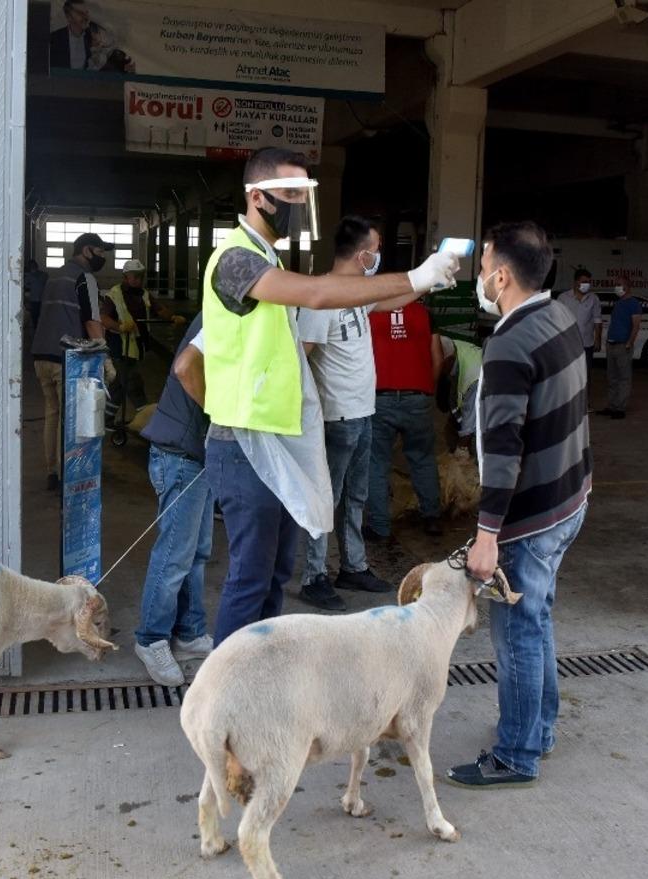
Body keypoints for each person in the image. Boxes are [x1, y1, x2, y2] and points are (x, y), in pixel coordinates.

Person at [196, 146, 459, 647]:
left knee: (273, 576)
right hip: (244, 442)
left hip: (280, 439)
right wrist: (415, 275)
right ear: (257, 197)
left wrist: (427, 283)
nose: (299, 203)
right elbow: (319, 294)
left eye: (303, 194)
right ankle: (224, 692)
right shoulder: (234, 258)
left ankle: (264, 672)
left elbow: (364, 295)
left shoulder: (267, 256)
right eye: (290, 194)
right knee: (250, 578)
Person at [447, 221, 590, 788]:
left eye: (483, 266)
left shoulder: (507, 346)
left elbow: (502, 452)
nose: (480, 275)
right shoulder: (562, 318)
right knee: (538, 618)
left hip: (530, 519)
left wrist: (487, 537)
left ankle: (515, 755)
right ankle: (540, 728)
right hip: (569, 502)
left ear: (502, 275)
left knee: (519, 633)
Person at [296, 217, 395, 611]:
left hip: (363, 412)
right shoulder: (321, 299)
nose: (379, 257)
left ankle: (353, 566)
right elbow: (300, 359)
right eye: (377, 248)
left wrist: (427, 281)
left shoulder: (354, 294)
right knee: (326, 498)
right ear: (362, 254)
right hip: (336, 418)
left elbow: (387, 298)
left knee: (356, 497)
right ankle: (313, 576)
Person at [132, 314, 213, 687]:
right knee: (174, 555)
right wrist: (216, 413)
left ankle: (189, 631)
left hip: (199, 454)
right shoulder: (222, 313)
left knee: (196, 552)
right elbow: (185, 369)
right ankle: (151, 638)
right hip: (179, 454)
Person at [31, 232, 114, 491]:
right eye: (100, 252)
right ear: (87, 250)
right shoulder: (84, 277)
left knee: (51, 414)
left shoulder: (55, 275)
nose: (103, 258)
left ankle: (52, 472)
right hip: (65, 358)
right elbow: (92, 321)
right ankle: (70, 474)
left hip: (41, 356)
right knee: (70, 418)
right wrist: (106, 358)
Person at [364, 294, 444, 541]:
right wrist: (426, 388)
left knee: (377, 463)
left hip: (380, 396)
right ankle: (432, 518)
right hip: (418, 396)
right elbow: (438, 358)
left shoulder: (370, 311)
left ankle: (379, 527)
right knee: (422, 459)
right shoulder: (425, 313)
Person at [99, 259, 184, 427]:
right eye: (135, 276)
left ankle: (106, 420)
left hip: (136, 345)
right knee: (132, 381)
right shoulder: (114, 295)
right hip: (119, 345)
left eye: (141, 276)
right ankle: (146, 418)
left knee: (119, 385)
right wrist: (120, 326)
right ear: (125, 277)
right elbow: (104, 318)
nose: (139, 279)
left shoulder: (144, 294)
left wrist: (172, 317)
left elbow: (158, 309)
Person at [557, 268, 602, 410]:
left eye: (589, 282)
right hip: (567, 345)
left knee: (585, 375)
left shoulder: (593, 299)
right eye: (584, 282)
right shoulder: (563, 298)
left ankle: (584, 404)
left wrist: (598, 339)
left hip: (586, 345)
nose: (586, 284)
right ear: (576, 282)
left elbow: (597, 321)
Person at [435, 334, 483, 453]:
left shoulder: (472, 377)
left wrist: (461, 451)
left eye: (437, 363)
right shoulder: (452, 346)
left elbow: (469, 421)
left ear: (449, 360)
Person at [602, 284, 642, 419]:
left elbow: (636, 326)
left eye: (619, 284)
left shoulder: (633, 303)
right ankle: (612, 405)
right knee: (612, 377)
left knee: (623, 378)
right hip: (611, 344)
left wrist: (629, 343)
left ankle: (620, 408)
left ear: (627, 286)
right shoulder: (618, 303)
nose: (616, 287)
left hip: (622, 345)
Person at [49, 1, 96, 70]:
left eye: (86, 12)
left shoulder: (92, 37)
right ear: (68, 17)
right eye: (80, 13)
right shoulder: (55, 39)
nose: (85, 17)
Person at [23, 258, 48, 333]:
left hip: (38, 298)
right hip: (38, 299)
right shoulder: (43, 275)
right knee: (37, 315)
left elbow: (25, 285)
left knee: (37, 316)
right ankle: (38, 329)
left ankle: (38, 329)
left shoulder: (41, 275)